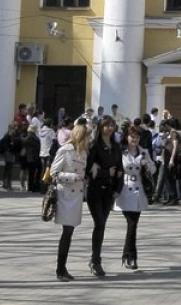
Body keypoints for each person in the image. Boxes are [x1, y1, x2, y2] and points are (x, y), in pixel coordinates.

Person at [51, 122, 90, 281]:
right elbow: (54, 173)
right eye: (87, 137)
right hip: (66, 195)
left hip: (77, 196)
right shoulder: (65, 150)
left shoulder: (84, 153)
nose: (89, 140)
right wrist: (74, 177)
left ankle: (62, 268)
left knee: (69, 233)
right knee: (66, 233)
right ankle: (60, 269)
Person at [84, 117, 122, 276]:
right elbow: (87, 170)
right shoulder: (94, 146)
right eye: (107, 125)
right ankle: (96, 261)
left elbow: (120, 169)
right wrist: (106, 172)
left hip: (109, 191)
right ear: (100, 127)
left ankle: (95, 259)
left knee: (102, 225)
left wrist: (118, 188)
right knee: (99, 223)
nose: (110, 128)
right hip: (95, 190)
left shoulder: (116, 146)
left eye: (112, 125)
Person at [116, 124, 156, 270]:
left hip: (139, 192)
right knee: (132, 225)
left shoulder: (144, 152)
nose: (135, 139)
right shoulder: (121, 152)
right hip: (125, 191)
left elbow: (153, 168)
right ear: (127, 137)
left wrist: (146, 165)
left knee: (133, 225)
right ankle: (129, 257)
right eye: (132, 136)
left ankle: (129, 256)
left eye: (137, 137)